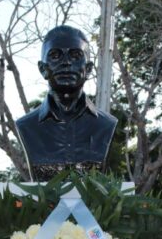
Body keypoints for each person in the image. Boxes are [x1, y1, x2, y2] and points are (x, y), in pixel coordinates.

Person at [15, 25, 117, 181]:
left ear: (88, 69)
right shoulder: (26, 126)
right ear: (42, 69)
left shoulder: (107, 125)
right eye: (55, 56)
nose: (66, 63)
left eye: (76, 56)